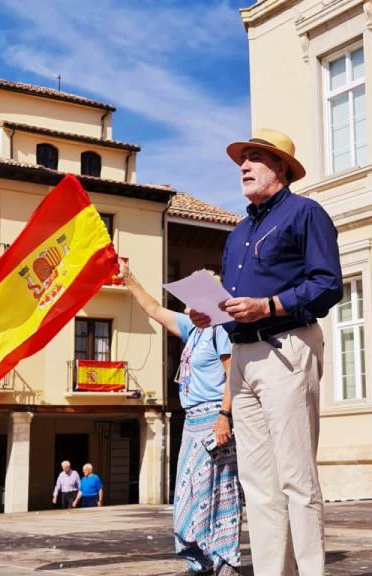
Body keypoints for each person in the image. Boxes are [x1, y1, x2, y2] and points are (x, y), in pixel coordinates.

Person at [189, 128, 342, 576]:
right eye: (243, 159)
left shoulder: (306, 213)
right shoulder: (237, 233)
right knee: (256, 482)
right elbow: (236, 302)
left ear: (281, 168)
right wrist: (210, 313)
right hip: (242, 356)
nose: (244, 166)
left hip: (286, 348)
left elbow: (327, 284)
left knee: (297, 477)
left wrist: (269, 305)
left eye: (255, 158)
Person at [117, 260, 241, 576]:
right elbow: (154, 309)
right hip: (191, 422)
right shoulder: (192, 329)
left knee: (218, 491)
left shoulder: (219, 329)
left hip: (214, 417)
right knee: (188, 497)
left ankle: (225, 561)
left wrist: (225, 416)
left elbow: (233, 376)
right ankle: (200, 561)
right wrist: (128, 278)